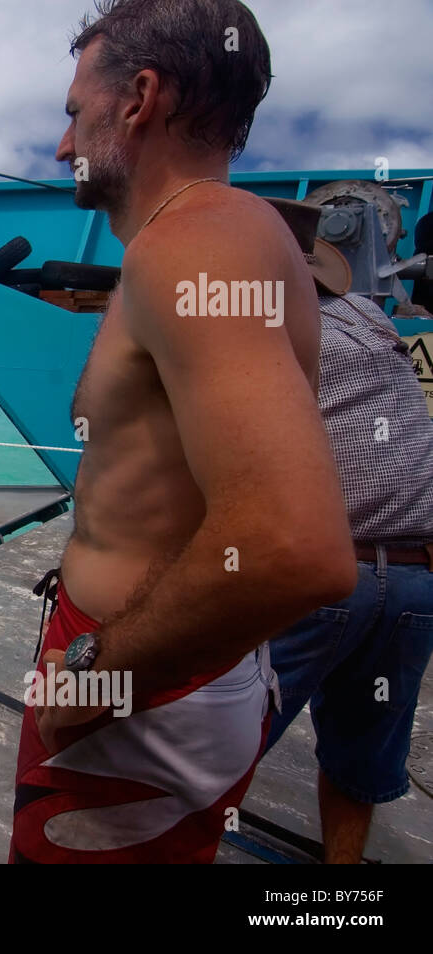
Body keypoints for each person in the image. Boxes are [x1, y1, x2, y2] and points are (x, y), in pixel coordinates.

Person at [10, 0, 356, 864]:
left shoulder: (197, 241)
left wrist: (91, 678)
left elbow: (292, 546)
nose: (62, 147)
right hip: (173, 678)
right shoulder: (215, 237)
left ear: (139, 99)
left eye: (72, 113)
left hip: (140, 693)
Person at [255, 202, 433, 863]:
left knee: (208, 744)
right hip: (415, 581)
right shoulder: (370, 317)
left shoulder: (264, 326)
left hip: (321, 577)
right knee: (360, 757)